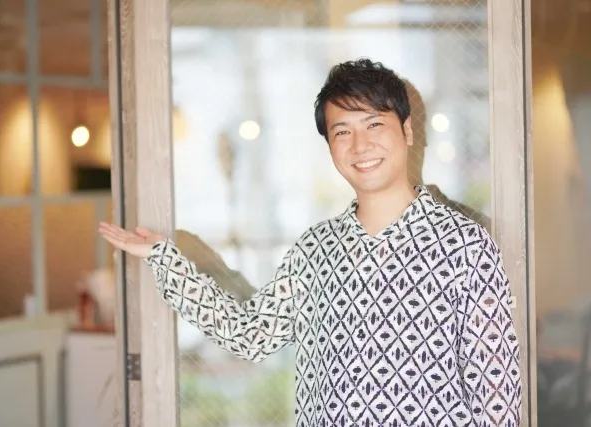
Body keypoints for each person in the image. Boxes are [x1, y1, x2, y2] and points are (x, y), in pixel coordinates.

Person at [98, 58, 522, 427]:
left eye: (374, 124)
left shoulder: (465, 245)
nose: (360, 145)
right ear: (330, 146)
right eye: (342, 132)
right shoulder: (315, 250)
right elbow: (251, 335)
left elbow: (497, 394)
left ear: (407, 131)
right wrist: (163, 258)